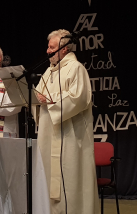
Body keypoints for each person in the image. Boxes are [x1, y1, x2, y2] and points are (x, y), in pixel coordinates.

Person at [34, 29, 100, 214]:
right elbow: (38, 97)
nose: (48, 51)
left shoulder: (76, 68)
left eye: (52, 47)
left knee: (70, 183)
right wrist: (34, 100)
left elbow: (78, 98)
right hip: (48, 136)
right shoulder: (49, 71)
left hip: (70, 138)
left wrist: (49, 99)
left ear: (64, 49)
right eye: (48, 47)